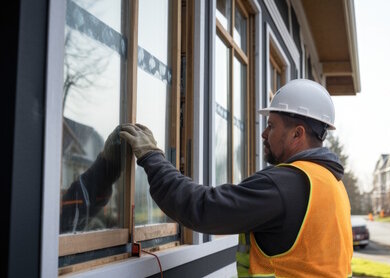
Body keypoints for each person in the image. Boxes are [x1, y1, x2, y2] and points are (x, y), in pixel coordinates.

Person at [120, 79, 353, 277]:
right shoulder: (332, 183)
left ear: (297, 133)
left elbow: (202, 208)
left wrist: (152, 157)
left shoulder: (285, 185)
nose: (263, 133)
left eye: (271, 125)